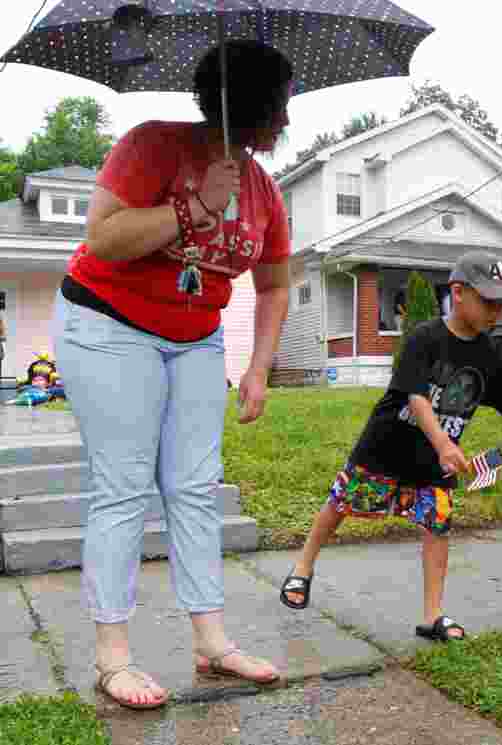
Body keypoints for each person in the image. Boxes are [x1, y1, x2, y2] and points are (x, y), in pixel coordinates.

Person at [51, 40, 293, 709]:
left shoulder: (264, 191)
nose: (287, 119)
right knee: (124, 485)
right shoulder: (152, 145)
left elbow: (274, 286)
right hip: (107, 322)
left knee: (193, 486)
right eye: (281, 100)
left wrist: (258, 369)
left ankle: (212, 642)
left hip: (195, 337)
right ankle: (112, 657)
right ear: (250, 99)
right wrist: (191, 209)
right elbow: (102, 237)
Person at [280, 251, 502, 641]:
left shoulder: (490, 356)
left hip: (435, 458)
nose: (496, 311)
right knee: (342, 502)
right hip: (387, 444)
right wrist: (444, 443)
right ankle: (303, 568)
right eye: (488, 301)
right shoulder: (425, 338)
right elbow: (416, 397)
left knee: (437, 526)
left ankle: (432, 615)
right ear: (458, 292)